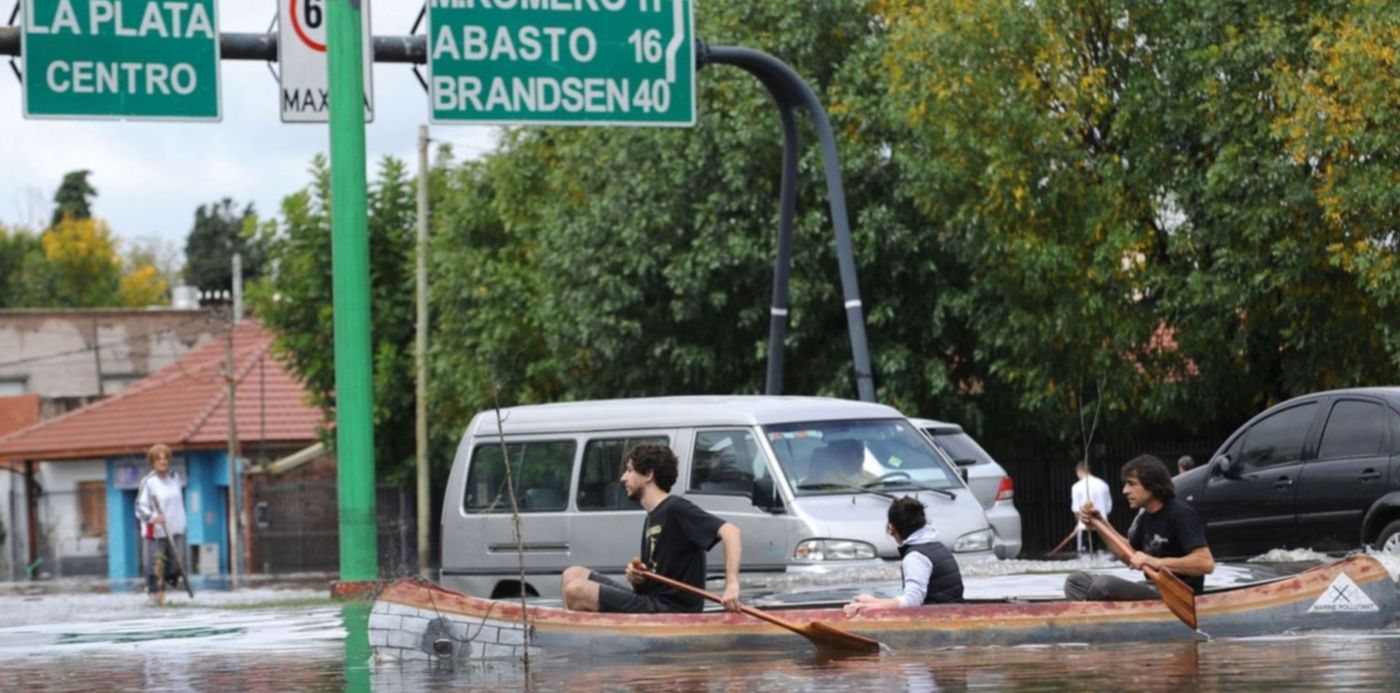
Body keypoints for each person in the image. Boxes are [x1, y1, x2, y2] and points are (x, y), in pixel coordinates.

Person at [561, 443, 743, 613]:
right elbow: (652, 580)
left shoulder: (676, 508)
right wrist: (638, 577)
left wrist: (732, 585)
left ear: (648, 474)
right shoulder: (652, 517)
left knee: (577, 590)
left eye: (629, 470)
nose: (623, 478)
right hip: (650, 600)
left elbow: (731, 532)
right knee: (572, 574)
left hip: (671, 608)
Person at [1064, 454, 1215, 601]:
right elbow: (1128, 556)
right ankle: (1094, 610)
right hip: (1152, 587)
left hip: (1176, 594)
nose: (1125, 490)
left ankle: (1097, 606)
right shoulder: (1145, 518)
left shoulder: (1181, 514)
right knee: (1075, 581)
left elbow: (1205, 563)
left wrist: (1155, 562)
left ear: (1151, 485)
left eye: (1131, 484)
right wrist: (1101, 524)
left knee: (1103, 584)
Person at [843, 496, 963, 616]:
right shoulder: (937, 546)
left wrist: (867, 607)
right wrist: (875, 601)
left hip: (938, 620)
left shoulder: (916, 557)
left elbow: (913, 600)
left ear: (892, 527)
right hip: (954, 615)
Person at [134, 443, 187, 604]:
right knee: (155, 567)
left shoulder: (174, 478)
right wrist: (153, 517)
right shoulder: (149, 482)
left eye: (165, 458)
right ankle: (155, 596)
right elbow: (139, 507)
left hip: (175, 530)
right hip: (156, 532)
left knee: (176, 566)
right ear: (153, 462)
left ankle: (166, 592)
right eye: (159, 459)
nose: (163, 462)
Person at [1070, 460, 1112, 554]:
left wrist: (1078, 525)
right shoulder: (1103, 484)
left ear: (1079, 471)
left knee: (1085, 554)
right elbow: (1108, 507)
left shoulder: (1077, 486)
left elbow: (1077, 510)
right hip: (1103, 526)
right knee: (1102, 553)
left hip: (1085, 526)